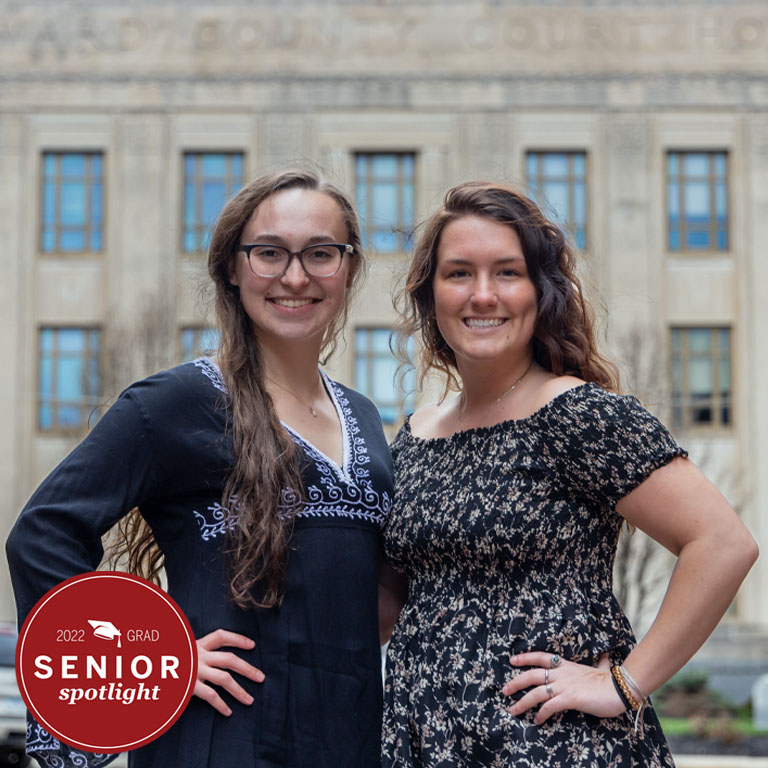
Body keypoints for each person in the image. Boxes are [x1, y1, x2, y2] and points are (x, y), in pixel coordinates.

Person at [7, 169, 393, 768]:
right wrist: (160, 657)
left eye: (321, 253)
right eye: (269, 253)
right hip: (220, 739)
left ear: (349, 268)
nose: (295, 276)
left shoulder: (365, 418)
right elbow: (43, 533)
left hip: (348, 737)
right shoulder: (176, 402)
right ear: (232, 269)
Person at [379, 180, 758, 767]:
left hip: (554, 745)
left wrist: (624, 686)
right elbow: (393, 602)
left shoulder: (577, 415)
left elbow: (724, 543)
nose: (483, 294)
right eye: (459, 273)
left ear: (541, 291)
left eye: (507, 272)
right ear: (431, 295)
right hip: (426, 740)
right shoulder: (413, 436)